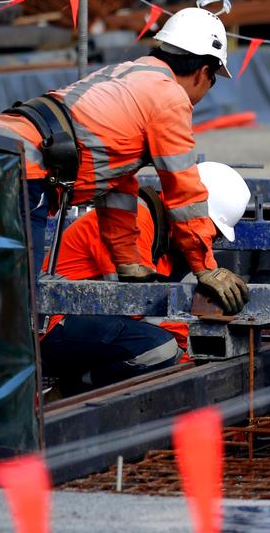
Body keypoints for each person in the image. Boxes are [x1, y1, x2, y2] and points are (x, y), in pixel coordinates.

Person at [0, 0, 249, 315]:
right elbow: (184, 194)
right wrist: (205, 268)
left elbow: (116, 182)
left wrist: (129, 261)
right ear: (203, 72)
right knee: (15, 299)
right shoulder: (170, 98)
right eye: (213, 80)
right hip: (21, 170)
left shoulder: (130, 73)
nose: (208, 88)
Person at [38, 162, 251, 395]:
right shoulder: (132, 222)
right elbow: (134, 304)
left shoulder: (165, 237)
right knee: (160, 349)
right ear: (191, 214)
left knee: (170, 348)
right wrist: (193, 334)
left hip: (87, 320)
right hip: (54, 325)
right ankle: (67, 391)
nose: (207, 240)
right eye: (209, 231)